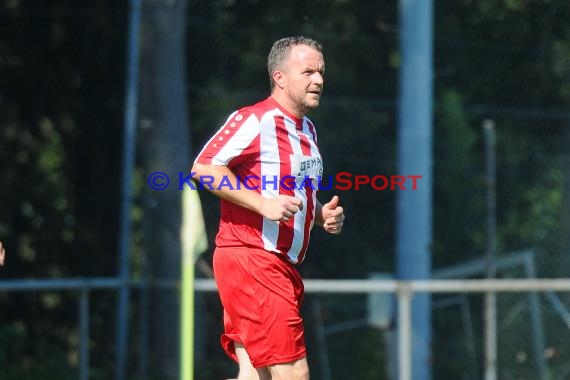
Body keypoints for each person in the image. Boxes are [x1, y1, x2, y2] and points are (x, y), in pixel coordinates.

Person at [191, 36, 345, 380]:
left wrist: (319, 215)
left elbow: (293, 194)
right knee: (294, 373)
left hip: (277, 265)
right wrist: (262, 204)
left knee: (255, 374)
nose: (318, 80)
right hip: (253, 259)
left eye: (320, 72)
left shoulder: (307, 129)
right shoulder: (255, 120)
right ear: (279, 77)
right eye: (307, 72)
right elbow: (205, 168)